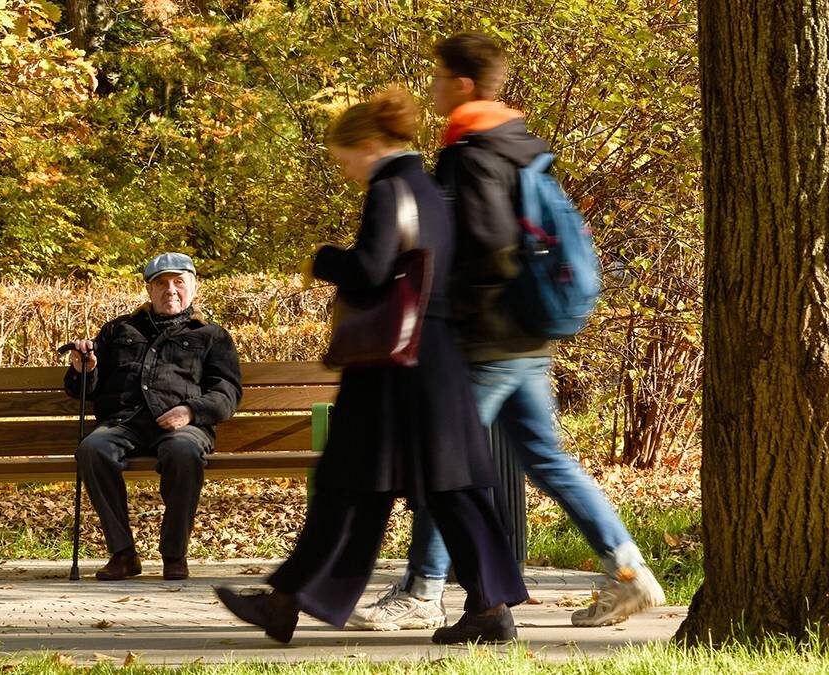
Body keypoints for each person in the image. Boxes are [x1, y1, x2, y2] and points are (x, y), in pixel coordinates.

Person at [348, 32, 665, 632]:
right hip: (528, 332)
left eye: (440, 77)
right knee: (546, 457)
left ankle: (422, 589)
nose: (434, 87)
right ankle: (631, 574)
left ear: (463, 84)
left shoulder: (472, 152)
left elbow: (487, 244)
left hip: (488, 339)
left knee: (446, 463)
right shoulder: (517, 144)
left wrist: (451, 311)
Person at [214, 87, 528, 646]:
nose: (346, 172)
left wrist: (323, 258)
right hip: (433, 362)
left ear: (366, 145)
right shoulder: (430, 188)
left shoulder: (389, 189)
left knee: (348, 484)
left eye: (343, 159)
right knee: (449, 490)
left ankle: (286, 601)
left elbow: (371, 268)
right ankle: (487, 608)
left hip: (393, 368)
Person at [65, 252, 242, 582]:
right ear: (149, 290)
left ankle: (174, 554)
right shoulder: (119, 330)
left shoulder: (211, 335)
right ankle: (123, 554)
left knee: (184, 451)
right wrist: (84, 369)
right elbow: (82, 390)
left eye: (179, 282)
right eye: (161, 283)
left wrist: (191, 411)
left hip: (183, 426)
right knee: (92, 449)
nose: (171, 290)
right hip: (124, 423)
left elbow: (227, 392)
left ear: (194, 287)